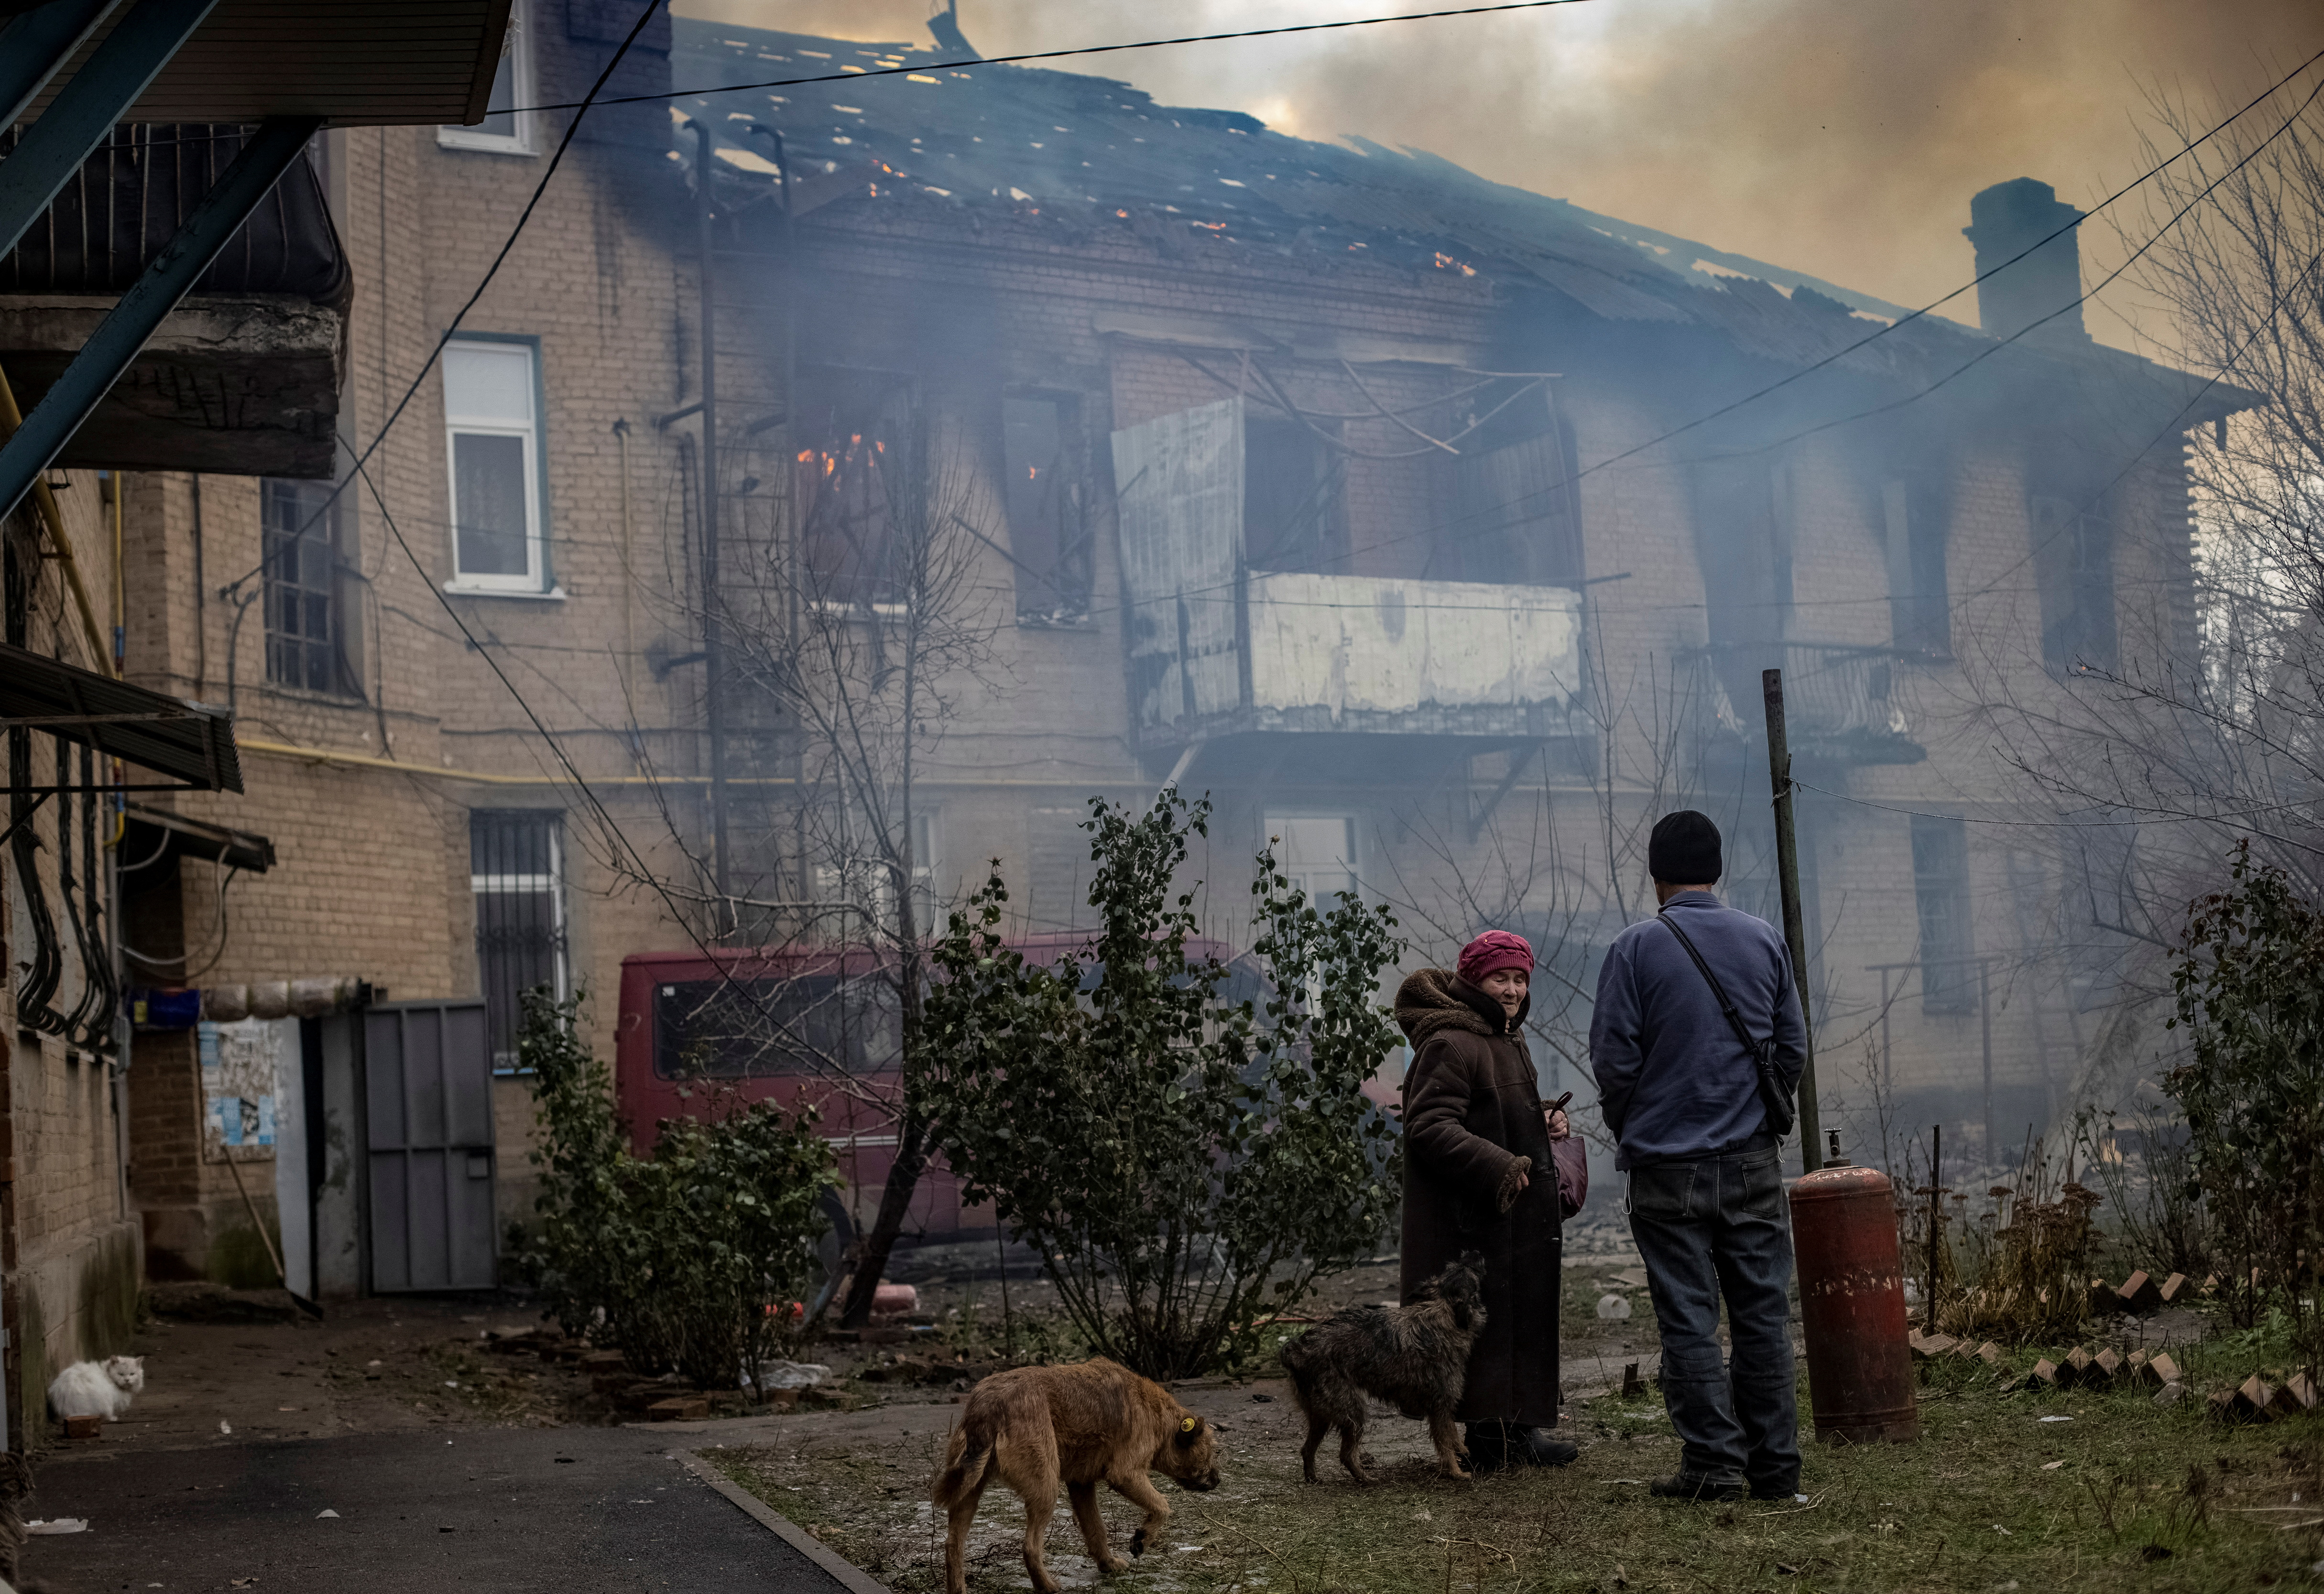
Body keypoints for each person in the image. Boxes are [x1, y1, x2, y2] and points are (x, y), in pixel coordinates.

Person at [1590, 810, 1808, 1503]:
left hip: (1665, 1166)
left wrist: (1638, 1123)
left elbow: (1613, 1059)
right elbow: (1792, 1048)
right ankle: (1775, 1470)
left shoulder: (1633, 948)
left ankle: (1713, 1467)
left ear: (1656, 874)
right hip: (1751, 1161)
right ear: (1717, 870)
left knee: (1688, 1319)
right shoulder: (1763, 938)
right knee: (1762, 1320)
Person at [1396, 929, 1577, 1472]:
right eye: (1502, 976)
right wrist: (1499, 1165)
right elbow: (1427, 1125)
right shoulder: (1450, 1040)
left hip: (1512, 1216)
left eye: (1521, 978)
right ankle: (1488, 1438)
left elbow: (1490, 1110)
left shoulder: (1504, 1037)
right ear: (1474, 979)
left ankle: (1516, 1432)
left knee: (1517, 1321)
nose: (1513, 989)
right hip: (1471, 1220)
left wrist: (1544, 1117)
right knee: (1483, 1327)